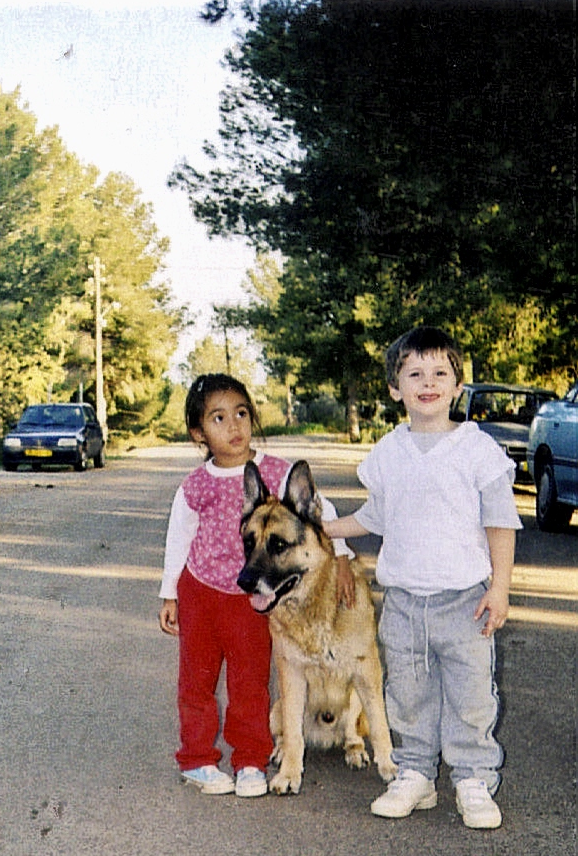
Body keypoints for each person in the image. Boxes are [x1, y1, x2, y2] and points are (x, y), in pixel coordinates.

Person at [323, 327, 522, 829]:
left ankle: (474, 779)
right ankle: (415, 774)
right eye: (414, 374)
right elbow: (374, 518)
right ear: (395, 388)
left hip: (465, 601)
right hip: (405, 602)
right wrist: (322, 528)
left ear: (458, 385)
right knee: (407, 693)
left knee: (470, 694)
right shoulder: (389, 452)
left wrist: (499, 588)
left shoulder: (478, 450)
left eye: (440, 373)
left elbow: (501, 522)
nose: (427, 383)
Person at [159, 373, 354, 798]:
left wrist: (342, 559)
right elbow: (179, 535)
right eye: (219, 418)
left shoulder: (278, 472)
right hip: (202, 591)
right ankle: (197, 758)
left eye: (242, 414)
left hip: (253, 598)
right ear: (199, 433)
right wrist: (170, 591)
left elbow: (322, 514)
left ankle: (249, 759)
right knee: (197, 680)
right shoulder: (196, 484)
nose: (234, 427)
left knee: (249, 682)